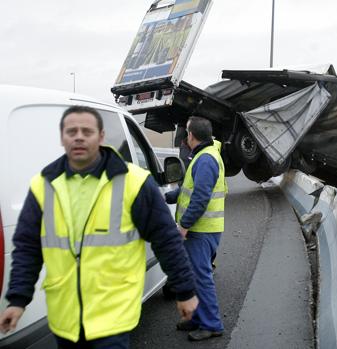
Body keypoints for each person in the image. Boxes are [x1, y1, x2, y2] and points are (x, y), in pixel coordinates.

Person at [0, 106, 198, 348]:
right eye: (72, 131)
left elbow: (166, 239)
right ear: (62, 138)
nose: (79, 136)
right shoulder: (44, 186)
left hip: (112, 319)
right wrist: (17, 300)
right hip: (65, 320)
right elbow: (27, 248)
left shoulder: (134, 182)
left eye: (87, 131)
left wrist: (185, 290)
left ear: (101, 137)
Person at [165, 116, 227, 341]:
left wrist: (184, 225)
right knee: (194, 276)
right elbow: (189, 190)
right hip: (201, 228)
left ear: (191, 135)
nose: (184, 137)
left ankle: (212, 324)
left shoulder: (206, 160)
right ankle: (197, 318)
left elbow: (200, 198)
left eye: (186, 132)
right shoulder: (203, 156)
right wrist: (166, 197)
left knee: (201, 277)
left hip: (201, 230)